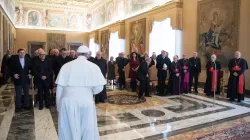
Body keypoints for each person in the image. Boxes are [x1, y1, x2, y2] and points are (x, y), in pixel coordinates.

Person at [56, 45, 106, 140]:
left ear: (77, 54)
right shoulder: (93, 66)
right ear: (88, 55)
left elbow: (59, 88)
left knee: (68, 129)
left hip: (67, 102)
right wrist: (91, 92)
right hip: (86, 101)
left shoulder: (66, 66)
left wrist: (58, 105)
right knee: (87, 129)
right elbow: (99, 87)